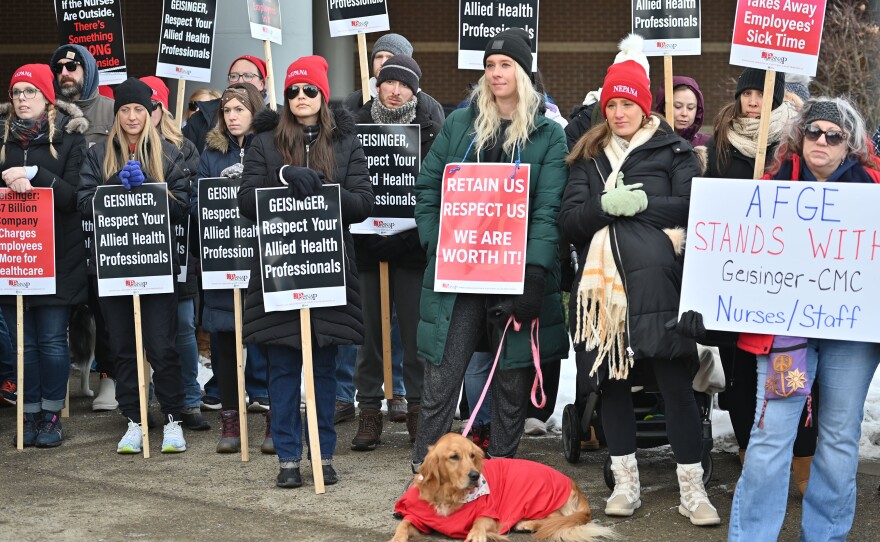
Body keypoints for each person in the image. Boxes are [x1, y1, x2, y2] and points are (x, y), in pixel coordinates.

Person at [558, 34, 719, 525]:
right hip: (603, 297)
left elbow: (694, 207)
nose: (619, 112)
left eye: (628, 103)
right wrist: (602, 206)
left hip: (660, 289)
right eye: (612, 104)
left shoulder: (674, 152)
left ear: (644, 105)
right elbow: (569, 220)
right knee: (611, 386)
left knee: (675, 386)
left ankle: (694, 490)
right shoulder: (588, 157)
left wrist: (644, 205)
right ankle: (624, 481)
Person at [412, 28, 569, 470]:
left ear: (523, 71)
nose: (496, 73)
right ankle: (425, 473)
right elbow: (428, 188)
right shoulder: (460, 124)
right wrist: (434, 243)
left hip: (515, 275)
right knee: (442, 376)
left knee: (511, 382)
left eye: (505, 65)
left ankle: (500, 473)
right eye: (489, 66)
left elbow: (547, 211)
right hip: (458, 272)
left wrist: (535, 274)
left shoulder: (548, 135)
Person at [728, 96, 880, 541]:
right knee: (772, 434)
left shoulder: (874, 191)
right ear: (800, 135)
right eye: (814, 130)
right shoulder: (770, 187)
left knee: (838, 438)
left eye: (834, 136)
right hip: (785, 331)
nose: (822, 141)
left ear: (849, 143)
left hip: (853, 331)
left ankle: (826, 535)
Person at [237, 55, 373, 488]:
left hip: (327, 267)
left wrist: (323, 188)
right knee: (281, 367)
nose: (300, 97)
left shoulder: (346, 143)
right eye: (293, 90)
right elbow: (244, 203)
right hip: (279, 270)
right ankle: (288, 458)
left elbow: (363, 203)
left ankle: (323, 452)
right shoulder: (263, 142)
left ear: (323, 96)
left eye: (308, 90)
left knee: (324, 368)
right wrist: (283, 174)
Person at [705, 69, 816, 478]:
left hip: (783, 276)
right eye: (746, 93)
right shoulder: (722, 141)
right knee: (740, 372)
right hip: (738, 275)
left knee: (791, 369)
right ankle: (750, 453)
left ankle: (802, 459)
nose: (752, 100)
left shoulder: (793, 143)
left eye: (760, 93)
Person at [78, 77, 190, 454]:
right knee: (123, 347)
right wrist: (112, 185)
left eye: (138, 109)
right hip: (113, 268)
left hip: (156, 265)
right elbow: (82, 203)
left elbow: (185, 206)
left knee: (162, 346)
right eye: (124, 109)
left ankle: (173, 418)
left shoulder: (169, 153)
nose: (130, 116)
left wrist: (153, 188)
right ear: (116, 114)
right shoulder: (97, 154)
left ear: (150, 113)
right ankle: (134, 419)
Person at [349, 55, 444, 450]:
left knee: (413, 330)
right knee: (368, 332)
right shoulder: (355, 125)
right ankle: (369, 410)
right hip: (366, 244)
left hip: (412, 247)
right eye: (389, 82)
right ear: (377, 84)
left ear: (415, 89)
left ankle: (419, 411)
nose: (395, 90)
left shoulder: (430, 128)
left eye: (403, 84)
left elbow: (435, 187)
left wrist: (410, 234)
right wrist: (366, 232)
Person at [0, 64, 88, 446]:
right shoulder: (1, 141)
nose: (22, 99)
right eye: (17, 92)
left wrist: (36, 175)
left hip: (57, 258)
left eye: (30, 92)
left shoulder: (69, 140)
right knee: (23, 344)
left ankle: (52, 413)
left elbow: (74, 198)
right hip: (13, 259)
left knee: (52, 340)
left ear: (47, 97)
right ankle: (29, 412)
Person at [192, 82, 273, 453]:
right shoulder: (210, 152)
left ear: (255, 111)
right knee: (224, 343)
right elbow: (197, 201)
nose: (233, 116)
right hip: (223, 259)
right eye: (227, 111)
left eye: (240, 109)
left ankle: (276, 419)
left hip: (263, 263)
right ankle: (230, 421)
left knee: (269, 342)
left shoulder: (271, 147)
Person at [139, 76, 210, 432]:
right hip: (137, 257)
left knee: (182, 326)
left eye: (149, 107)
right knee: (145, 331)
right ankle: (150, 401)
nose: (141, 115)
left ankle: (189, 399)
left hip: (180, 254)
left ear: (161, 109)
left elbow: (194, 197)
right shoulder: (119, 148)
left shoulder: (182, 147)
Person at [49, 44, 117, 411]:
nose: (65, 73)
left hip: (105, 228)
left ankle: (109, 377)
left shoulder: (111, 110)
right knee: (65, 309)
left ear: (87, 69)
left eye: (72, 66)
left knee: (106, 310)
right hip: (66, 231)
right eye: (58, 67)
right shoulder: (49, 115)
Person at [343, 33, 445, 122]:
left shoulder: (430, 107)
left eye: (390, 57)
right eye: (378, 57)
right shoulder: (352, 101)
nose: (383, 62)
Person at [184, 55, 269, 153]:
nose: (240, 81)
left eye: (248, 76)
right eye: (234, 76)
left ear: (262, 84)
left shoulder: (277, 118)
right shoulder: (203, 116)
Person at [652, 76, 710, 147]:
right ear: (664, 107)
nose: (684, 113)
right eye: (678, 106)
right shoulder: (648, 142)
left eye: (690, 108)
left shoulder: (707, 145)